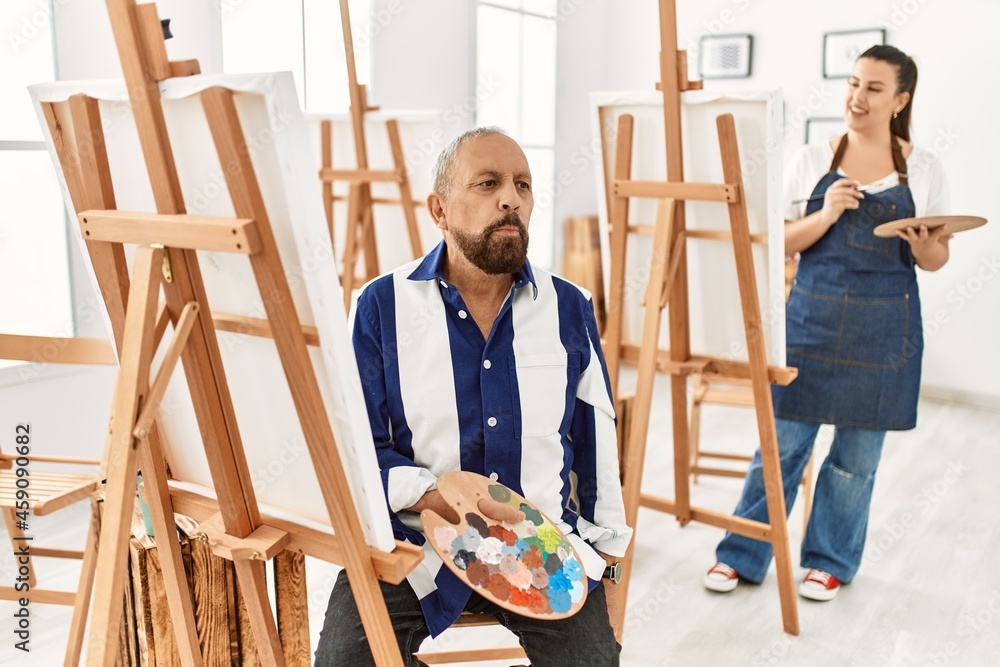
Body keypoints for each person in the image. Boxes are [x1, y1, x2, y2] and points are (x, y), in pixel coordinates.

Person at [315, 127, 632, 666]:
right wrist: (437, 499)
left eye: (523, 185)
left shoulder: (569, 307)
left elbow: (596, 434)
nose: (511, 198)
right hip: (413, 546)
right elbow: (357, 447)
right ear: (439, 209)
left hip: (544, 546)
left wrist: (604, 553)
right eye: (487, 183)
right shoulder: (379, 306)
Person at [703, 45, 950, 601]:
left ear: (900, 99)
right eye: (853, 83)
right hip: (809, 326)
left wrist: (923, 243)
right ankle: (741, 555)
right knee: (780, 448)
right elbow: (780, 245)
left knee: (854, 462)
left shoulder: (924, 167)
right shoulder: (814, 158)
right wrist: (828, 213)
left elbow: (937, 260)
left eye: (873, 89)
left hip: (886, 335)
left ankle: (830, 561)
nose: (857, 98)